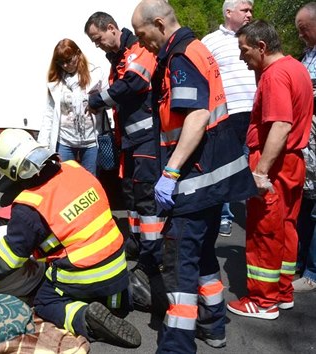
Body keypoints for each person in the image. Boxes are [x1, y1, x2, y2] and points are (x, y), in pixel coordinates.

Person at [131, 0, 257, 351]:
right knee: (203, 256)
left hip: (193, 182)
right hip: (213, 180)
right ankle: (214, 325)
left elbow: (197, 115)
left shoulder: (181, 56)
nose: (143, 44)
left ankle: (176, 346)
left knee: (179, 270)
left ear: (158, 23)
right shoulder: (198, 47)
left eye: (143, 35)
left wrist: (170, 172)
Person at [0, 129, 142, 349]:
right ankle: (125, 295)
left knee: (46, 301)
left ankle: (85, 317)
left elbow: (7, 261)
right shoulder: (75, 169)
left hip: (85, 271)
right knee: (104, 285)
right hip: (117, 260)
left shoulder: (30, 205)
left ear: (13, 171)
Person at [227, 20, 313, 319]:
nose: (242, 57)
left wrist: (261, 172)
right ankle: (282, 291)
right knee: (286, 228)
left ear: (261, 47)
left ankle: (263, 302)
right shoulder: (296, 67)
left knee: (263, 233)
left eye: (245, 50)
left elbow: (280, 124)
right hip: (291, 162)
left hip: (273, 162)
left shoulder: (275, 76)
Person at [84, 11, 163, 306]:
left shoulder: (137, 49)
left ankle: (152, 258)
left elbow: (133, 84)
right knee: (130, 194)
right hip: (129, 141)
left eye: (98, 38)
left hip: (146, 139)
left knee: (145, 199)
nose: (97, 45)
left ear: (112, 29)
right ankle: (136, 243)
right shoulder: (118, 58)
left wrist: (97, 100)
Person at [201, 0, 257, 237]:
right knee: (226, 165)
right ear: (228, 12)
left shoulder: (254, 38)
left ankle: (255, 215)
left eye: (251, 10)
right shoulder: (210, 42)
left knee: (254, 164)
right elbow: (203, 75)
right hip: (228, 113)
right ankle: (225, 215)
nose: (250, 14)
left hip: (255, 111)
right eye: (245, 10)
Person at [37, 38, 107, 176]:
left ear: (78, 54)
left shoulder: (95, 74)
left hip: (91, 141)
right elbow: (50, 114)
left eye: (68, 60)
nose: (65, 65)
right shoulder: (56, 81)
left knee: (89, 182)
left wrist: (98, 105)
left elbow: (110, 101)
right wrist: (42, 145)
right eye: (61, 62)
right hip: (65, 141)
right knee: (65, 181)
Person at [293, 1, 316, 293]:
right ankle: (299, 263)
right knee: (306, 202)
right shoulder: (307, 54)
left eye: (303, 30)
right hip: (307, 142)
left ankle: (312, 271)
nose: (300, 35)